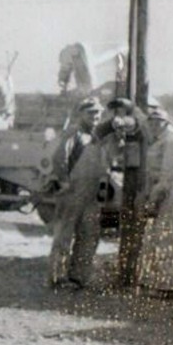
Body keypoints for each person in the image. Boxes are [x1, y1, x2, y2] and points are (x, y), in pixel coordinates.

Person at [46, 96, 107, 290]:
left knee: (89, 235)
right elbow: (59, 158)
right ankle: (58, 277)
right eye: (91, 113)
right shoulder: (74, 133)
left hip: (91, 194)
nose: (95, 116)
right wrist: (64, 183)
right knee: (64, 235)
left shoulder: (95, 136)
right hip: (72, 192)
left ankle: (79, 277)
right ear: (81, 113)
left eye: (98, 113)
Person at [137, 106, 173, 299]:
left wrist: (153, 200)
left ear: (166, 123)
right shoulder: (158, 139)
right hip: (159, 191)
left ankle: (167, 285)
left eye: (159, 121)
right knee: (154, 238)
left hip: (167, 192)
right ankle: (154, 282)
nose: (155, 124)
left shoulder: (170, 141)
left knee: (164, 238)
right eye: (152, 120)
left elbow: (167, 176)